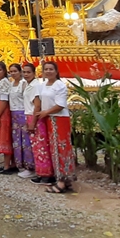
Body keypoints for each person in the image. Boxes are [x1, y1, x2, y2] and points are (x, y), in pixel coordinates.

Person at [39, 61, 76, 193]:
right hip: (49, 118)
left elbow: (60, 105)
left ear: (56, 71)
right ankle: (62, 178)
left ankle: (62, 181)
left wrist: (45, 112)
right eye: (46, 69)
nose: (48, 71)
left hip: (59, 118)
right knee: (54, 148)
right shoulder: (43, 84)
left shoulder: (59, 85)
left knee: (61, 148)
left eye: (51, 69)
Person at [23, 63, 53, 186]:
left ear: (34, 73)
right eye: (24, 72)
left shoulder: (35, 86)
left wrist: (33, 122)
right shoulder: (29, 85)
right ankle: (41, 172)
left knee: (41, 147)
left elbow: (37, 105)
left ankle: (46, 174)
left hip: (35, 117)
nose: (26, 74)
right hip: (30, 116)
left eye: (28, 72)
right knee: (36, 147)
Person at [9, 63, 33, 177]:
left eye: (15, 71)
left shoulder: (24, 84)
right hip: (13, 114)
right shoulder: (11, 83)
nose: (13, 73)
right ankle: (19, 164)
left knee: (25, 141)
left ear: (20, 72)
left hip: (23, 113)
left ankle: (29, 166)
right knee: (17, 141)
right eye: (11, 71)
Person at [0, 62, 16, 174]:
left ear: (4, 71)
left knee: (4, 136)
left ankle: (7, 165)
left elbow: (4, 100)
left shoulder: (5, 82)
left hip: (2, 110)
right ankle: (9, 163)